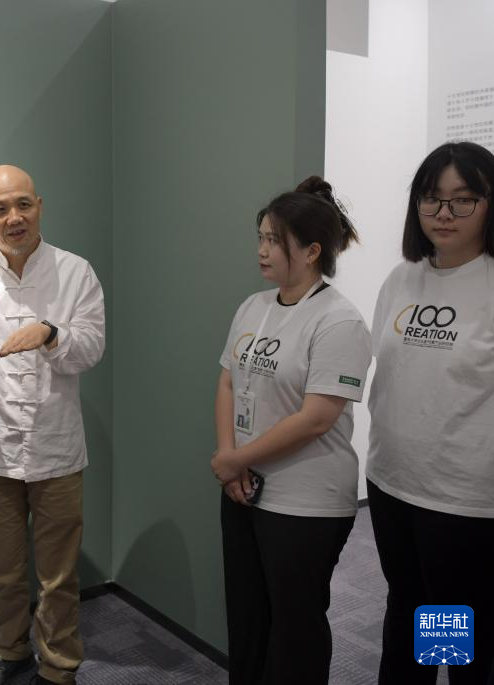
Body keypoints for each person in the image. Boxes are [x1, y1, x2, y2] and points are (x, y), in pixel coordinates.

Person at [0, 165, 105, 685]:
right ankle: (11, 652)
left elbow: (92, 348)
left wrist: (50, 333)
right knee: (4, 572)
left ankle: (58, 665)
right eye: (1, 209)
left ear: (39, 206)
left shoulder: (76, 271)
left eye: (23, 205)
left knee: (58, 576)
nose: (14, 217)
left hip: (57, 448)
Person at [211, 177, 370, 684]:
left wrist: (237, 460)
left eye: (274, 241)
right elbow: (228, 381)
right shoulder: (252, 307)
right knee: (247, 617)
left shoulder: (338, 320)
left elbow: (317, 417)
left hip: (306, 501)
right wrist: (229, 457)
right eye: (260, 237)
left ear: (312, 251)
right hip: (244, 488)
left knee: (294, 626)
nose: (261, 250)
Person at [367, 141, 494, 685]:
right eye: (431, 198)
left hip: (461, 495)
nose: (444, 213)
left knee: (457, 621)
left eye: (463, 199)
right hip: (391, 481)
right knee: (407, 605)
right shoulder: (402, 279)